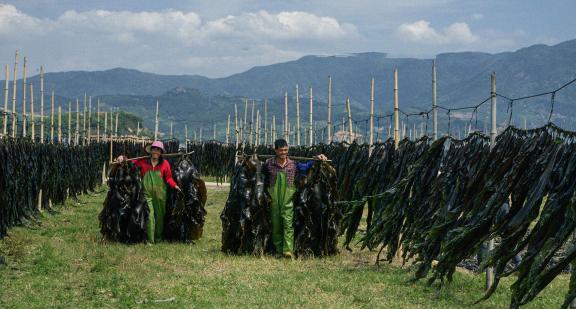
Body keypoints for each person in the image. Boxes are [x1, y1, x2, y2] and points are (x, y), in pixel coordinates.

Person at [263, 139, 327, 258]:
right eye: (281, 150)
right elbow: (260, 174)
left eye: (286, 150)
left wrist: (317, 158)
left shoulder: (293, 165)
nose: (284, 152)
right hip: (274, 200)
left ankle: (288, 250)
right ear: (275, 150)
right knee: (276, 225)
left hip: (288, 199)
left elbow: (307, 166)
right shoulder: (268, 164)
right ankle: (278, 249)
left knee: (288, 224)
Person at [117, 141, 181, 243]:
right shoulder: (143, 161)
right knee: (149, 216)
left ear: (161, 152)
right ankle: (150, 240)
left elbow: (169, 178)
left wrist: (175, 186)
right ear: (150, 151)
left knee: (160, 217)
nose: (156, 151)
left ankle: (158, 238)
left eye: (158, 150)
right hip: (146, 194)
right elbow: (129, 162)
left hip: (161, 195)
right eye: (154, 149)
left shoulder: (165, 164)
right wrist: (122, 158)